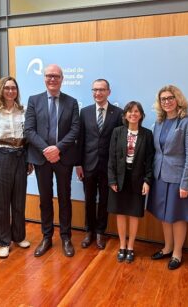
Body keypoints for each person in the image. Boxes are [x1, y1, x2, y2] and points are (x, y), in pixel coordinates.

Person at [24, 64, 80, 258]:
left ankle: (66, 237)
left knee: (65, 198)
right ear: (44, 78)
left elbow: (75, 130)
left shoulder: (71, 102)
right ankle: (47, 236)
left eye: (56, 76)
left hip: (63, 158)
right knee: (45, 199)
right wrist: (46, 150)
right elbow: (29, 130)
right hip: (42, 158)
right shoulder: (34, 100)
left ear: (62, 79)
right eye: (49, 76)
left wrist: (58, 148)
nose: (52, 79)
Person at [147, 85, 188, 270]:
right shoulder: (159, 123)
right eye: (163, 99)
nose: (167, 102)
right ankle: (167, 247)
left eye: (170, 98)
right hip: (159, 175)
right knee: (163, 215)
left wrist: (186, 183)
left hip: (178, 178)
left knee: (177, 217)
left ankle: (177, 252)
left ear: (178, 100)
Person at [0, 77, 33, 258]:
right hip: (0, 158)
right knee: (1, 203)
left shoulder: (24, 110)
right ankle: (3, 241)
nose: (11, 91)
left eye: (14, 88)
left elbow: (28, 137)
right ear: (1, 90)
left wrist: (29, 160)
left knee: (19, 201)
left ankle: (18, 236)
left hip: (20, 157)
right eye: (7, 88)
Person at [76, 79, 123, 250]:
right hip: (87, 165)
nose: (98, 93)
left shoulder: (118, 113)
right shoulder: (85, 112)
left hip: (107, 167)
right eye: (95, 90)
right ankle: (89, 231)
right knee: (89, 200)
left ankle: (100, 233)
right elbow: (80, 140)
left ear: (108, 92)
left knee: (104, 201)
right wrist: (78, 164)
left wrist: (117, 168)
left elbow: (120, 143)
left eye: (102, 90)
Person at [108, 101, 154, 263]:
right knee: (120, 213)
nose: (133, 114)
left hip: (138, 180)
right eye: (129, 111)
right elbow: (111, 158)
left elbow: (150, 161)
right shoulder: (117, 132)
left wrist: (147, 181)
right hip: (119, 179)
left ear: (141, 115)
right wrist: (112, 179)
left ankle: (130, 247)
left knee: (134, 214)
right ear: (125, 115)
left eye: (136, 111)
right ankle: (122, 245)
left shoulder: (147, 134)